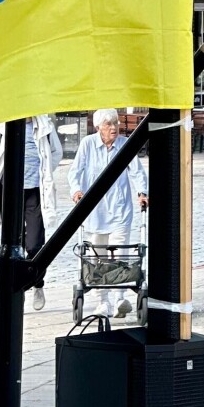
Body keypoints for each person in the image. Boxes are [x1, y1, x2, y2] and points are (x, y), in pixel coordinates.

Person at [67, 108, 148, 319]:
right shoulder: (88, 145)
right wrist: (76, 190)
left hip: (120, 209)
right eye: (108, 124)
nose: (114, 128)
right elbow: (75, 172)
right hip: (95, 211)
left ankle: (120, 298)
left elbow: (137, 171)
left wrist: (142, 192)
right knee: (98, 257)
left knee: (120, 253)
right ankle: (104, 302)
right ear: (98, 127)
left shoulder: (124, 144)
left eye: (116, 123)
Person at [0, 116, 63, 310]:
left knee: (36, 243)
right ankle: (18, 291)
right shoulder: (1, 126)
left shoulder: (44, 125)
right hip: (10, 191)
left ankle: (37, 283)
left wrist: (44, 171)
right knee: (14, 244)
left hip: (35, 190)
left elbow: (56, 152)